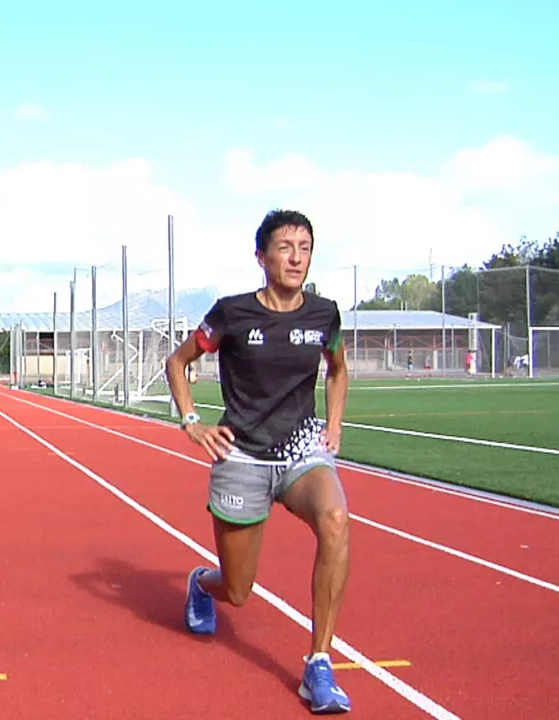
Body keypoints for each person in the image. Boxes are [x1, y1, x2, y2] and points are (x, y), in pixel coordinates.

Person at [165, 209, 352, 714]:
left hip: (300, 451)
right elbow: (178, 362)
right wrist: (191, 421)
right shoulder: (232, 314)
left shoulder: (324, 315)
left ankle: (318, 663)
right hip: (241, 455)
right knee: (238, 591)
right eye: (285, 248)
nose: (296, 258)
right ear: (261, 257)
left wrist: (334, 424)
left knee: (336, 518)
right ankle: (202, 583)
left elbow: (337, 369)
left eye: (305, 248)